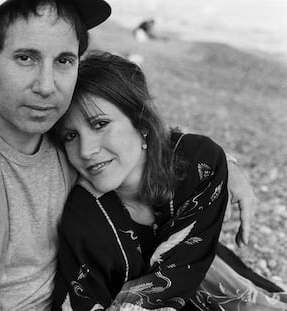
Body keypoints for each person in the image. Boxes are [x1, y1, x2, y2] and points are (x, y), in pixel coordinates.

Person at [0, 0, 257, 310]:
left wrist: (227, 165)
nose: (46, 86)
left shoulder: (59, 126)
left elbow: (131, 127)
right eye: (26, 58)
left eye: (63, 60)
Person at [51, 52, 287, 311]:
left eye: (100, 124)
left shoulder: (200, 165)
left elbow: (182, 266)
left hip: (212, 281)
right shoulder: (83, 219)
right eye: (71, 135)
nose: (86, 150)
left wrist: (228, 165)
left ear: (141, 122)